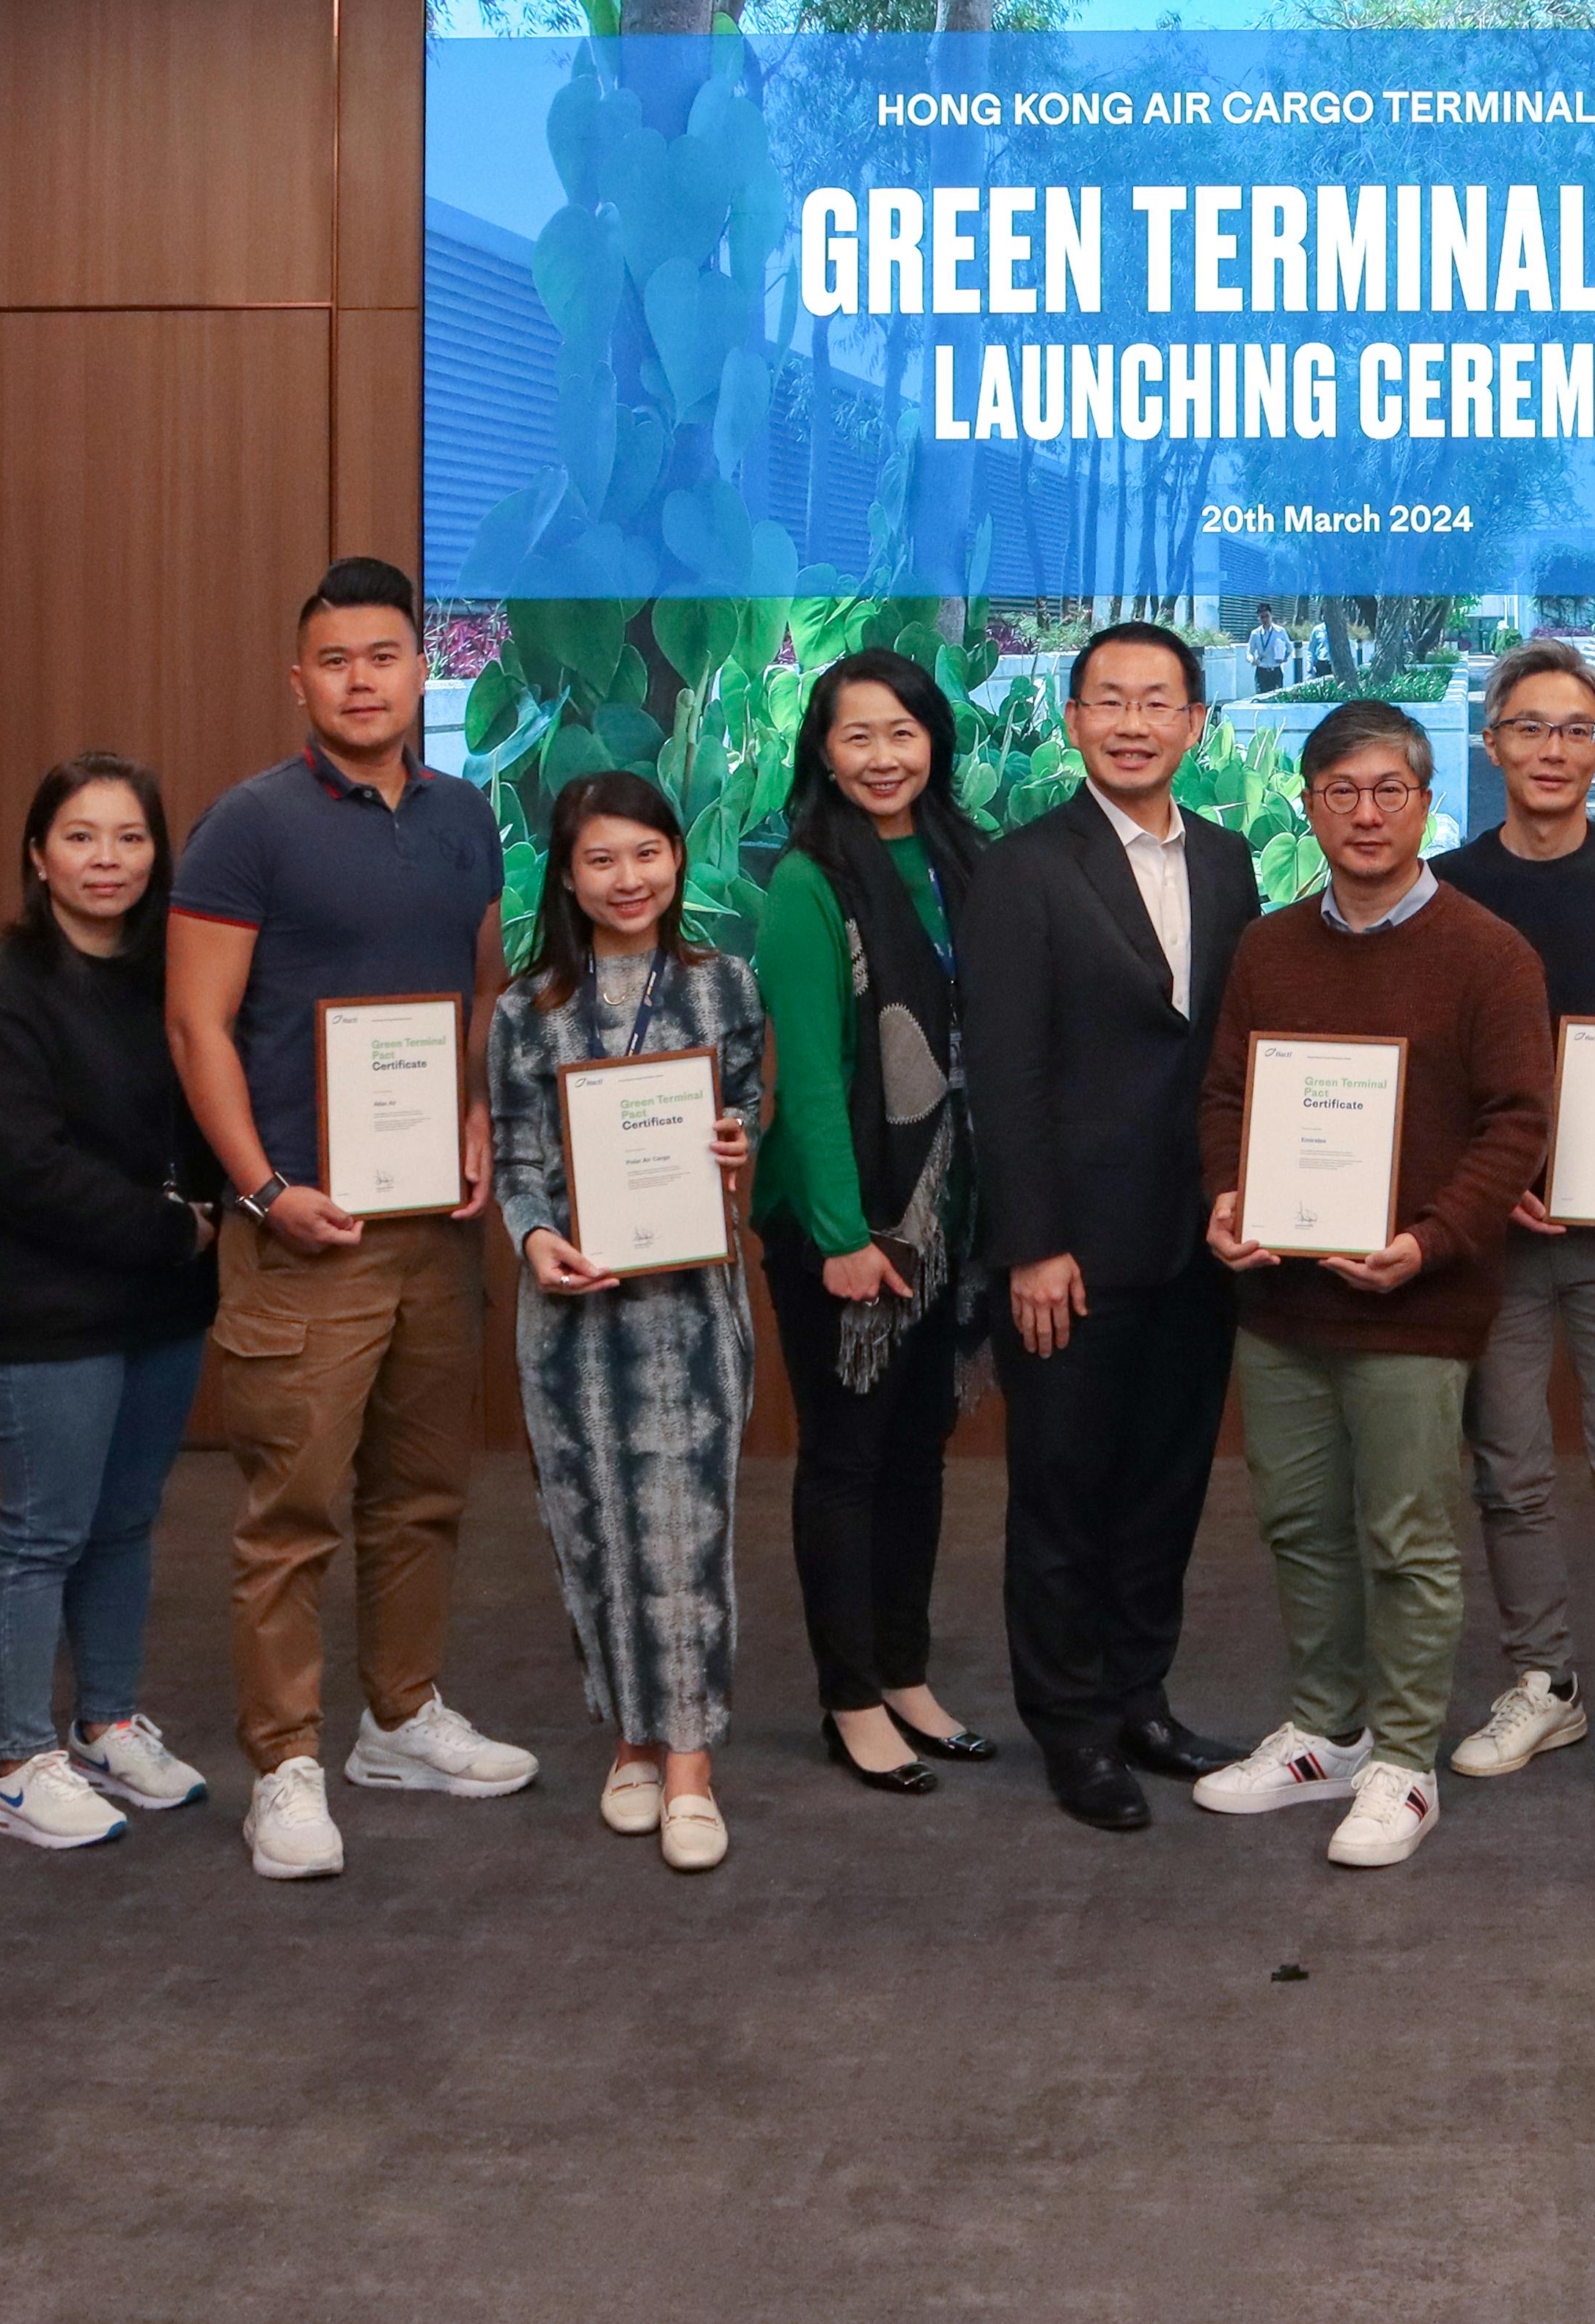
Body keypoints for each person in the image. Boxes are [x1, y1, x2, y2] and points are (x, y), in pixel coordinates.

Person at [169, 558, 535, 1882]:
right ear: (299, 680)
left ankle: (399, 1717)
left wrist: (478, 1112)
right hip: (302, 1229)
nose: (362, 680)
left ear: (421, 670)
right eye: (335, 661)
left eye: (384, 656)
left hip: (431, 1222)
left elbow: (481, 989)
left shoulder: (466, 815)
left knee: (424, 1491)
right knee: (293, 1512)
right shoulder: (247, 825)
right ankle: (283, 1763)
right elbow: (195, 1021)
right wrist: (262, 1186)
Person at [1189, 701, 1555, 1868]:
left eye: (1387, 790)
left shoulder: (1488, 952)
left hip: (1415, 1302)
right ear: (1308, 806)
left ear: (1425, 801)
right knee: (1299, 1525)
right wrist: (1227, 1196)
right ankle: (1328, 1732)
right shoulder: (1268, 948)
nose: (1364, 813)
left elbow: (1517, 1123)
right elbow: (1228, 1097)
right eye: (1339, 791)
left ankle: (1403, 1759)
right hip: (1281, 1301)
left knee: (1405, 1537)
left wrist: (1431, 1241)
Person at [961, 621, 1267, 1831]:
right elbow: (1004, 1070)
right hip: (1072, 1252)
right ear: (1073, 720)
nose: (1133, 723)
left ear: (1196, 722)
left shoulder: (1230, 861)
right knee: (1061, 1497)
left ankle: (1141, 1698)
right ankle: (1072, 1727)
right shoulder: (1022, 867)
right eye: (1109, 701)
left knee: (1163, 1490)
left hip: (1198, 1242)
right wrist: (1031, 1242)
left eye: (1156, 702)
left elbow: (1228, 1053)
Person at [0, 753, 224, 1849]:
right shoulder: (0, 992)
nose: (107, 859)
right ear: (38, 855)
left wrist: (200, 1217)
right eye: (81, 836)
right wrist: (174, 1227)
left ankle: (104, 1723)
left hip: (159, 1302)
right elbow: (24, 1169)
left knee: (125, 1520)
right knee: (41, 1532)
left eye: (130, 837)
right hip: (44, 1306)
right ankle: (13, 1761)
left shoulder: (170, 980)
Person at [1432, 638, 1595, 1810]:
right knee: (1509, 1472)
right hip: (1491, 1232)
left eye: (1575, 729)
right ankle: (1544, 1684)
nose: (1552, 749)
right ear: (1491, 743)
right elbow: (1434, 1068)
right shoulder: (1444, 885)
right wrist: (1486, 1182)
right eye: (1529, 727)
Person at [490, 772, 766, 1875]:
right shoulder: (525, 1008)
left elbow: (743, 1115)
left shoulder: (724, 984)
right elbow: (514, 1156)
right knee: (594, 1529)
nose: (627, 878)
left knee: (689, 1531)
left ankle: (691, 1760)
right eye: (600, 859)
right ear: (566, 876)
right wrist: (531, 1239)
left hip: (692, 1309)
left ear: (677, 858)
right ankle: (632, 1739)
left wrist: (736, 1145)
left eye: (646, 853)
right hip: (571, 1311)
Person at [756, 650, 1002, 1796]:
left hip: (944, 1212)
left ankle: (904, 1672)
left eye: (902, 731)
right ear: (823, 749)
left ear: (933, 740)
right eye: (856, 735)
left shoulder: (966, 857)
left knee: (916, 1452)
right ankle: (849, 1696)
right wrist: (843, 1236)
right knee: (846, 1458)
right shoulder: (807, 879)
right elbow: (809, 1079)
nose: (882, 755)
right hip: (848, 1220)